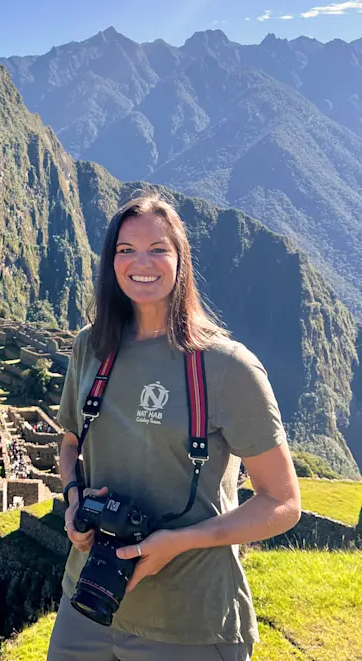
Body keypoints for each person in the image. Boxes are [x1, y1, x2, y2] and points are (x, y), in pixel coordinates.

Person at [47, 193, 301, 661]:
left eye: (158, 249)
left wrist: (178, 542)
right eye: (126, 250)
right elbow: (68, 442)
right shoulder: (92, 346)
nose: (141, 263)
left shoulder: (227, 367)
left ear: (180, 259)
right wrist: (73, 499)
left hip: (189, 623)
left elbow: (283, 504)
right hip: (88, 599)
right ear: (110, 261)